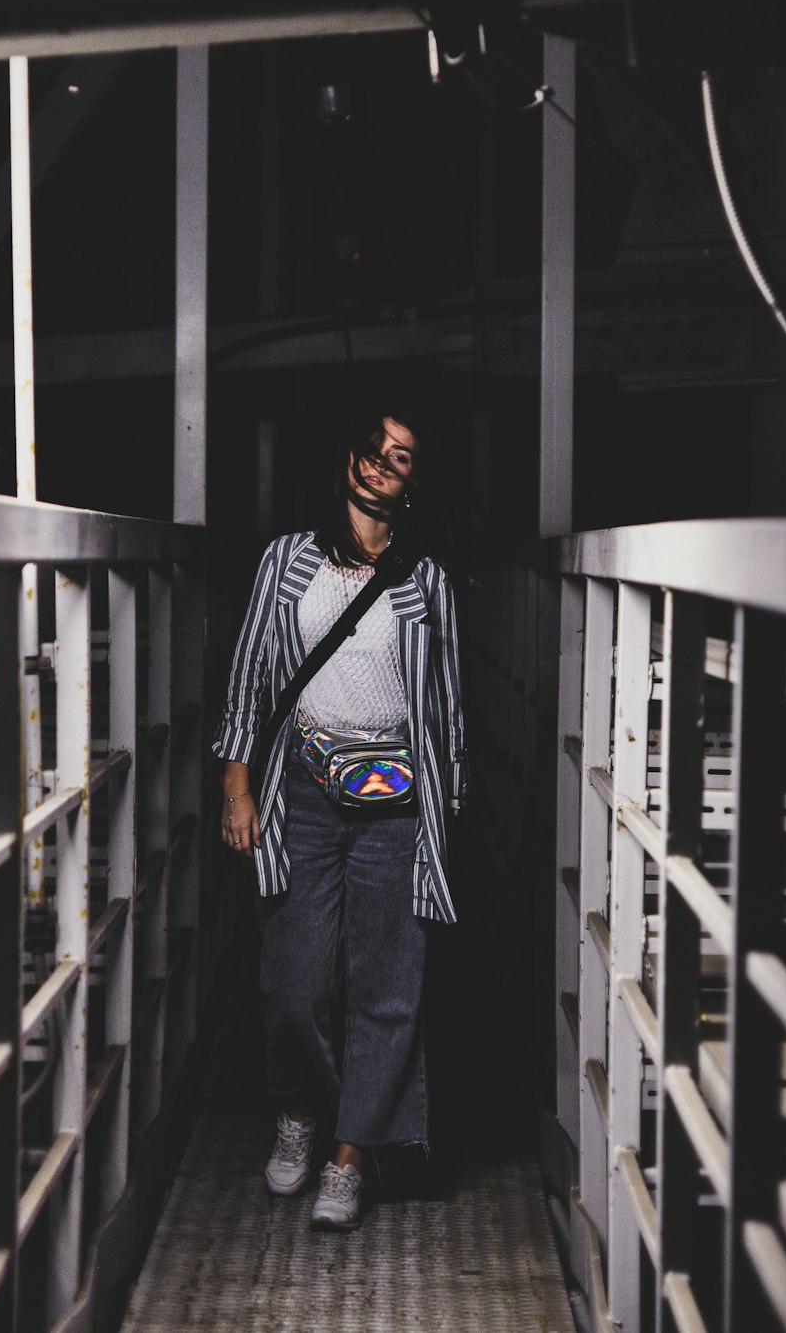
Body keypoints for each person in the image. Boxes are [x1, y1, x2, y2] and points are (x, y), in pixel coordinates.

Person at [212, 404, 467, 1232]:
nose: (383, 463)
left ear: (412, 479)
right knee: (294, 983)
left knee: (388, 989)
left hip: (395, 804)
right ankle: (299, 1107)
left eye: (402, 455)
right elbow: (250, 675)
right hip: (304, 795)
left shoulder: (426, 581)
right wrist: (237, 785)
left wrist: (442, 813)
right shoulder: (286, 560)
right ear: (351, 458)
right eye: (374, 448)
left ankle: (349, 1156)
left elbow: (447, 706)